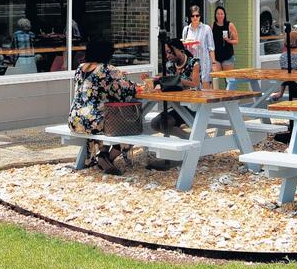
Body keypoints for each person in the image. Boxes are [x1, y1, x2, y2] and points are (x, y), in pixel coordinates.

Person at [67, 38, 137, 175]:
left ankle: (103, 154)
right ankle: (106, 157)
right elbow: (126, 90)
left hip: (74, 119)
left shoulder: (80, 67)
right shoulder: (107, 69)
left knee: (108, 119)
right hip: (93, 121)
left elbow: (98, 86)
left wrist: (117, 77)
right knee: (130, 125)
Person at [144, 37, 200, 137]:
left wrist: (176, 79)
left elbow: (195, 84)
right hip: (177, 105)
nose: (168, 56)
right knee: (155, 124)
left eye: (170, 52)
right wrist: (152, 79)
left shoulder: (193, 63)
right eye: (166, 53)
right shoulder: (170, 66)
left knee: (164, 123)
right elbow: (165, 81)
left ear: (180, 50)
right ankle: (188, 138)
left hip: (192, 106)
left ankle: (191, 140)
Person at [270, 31, 297, 142]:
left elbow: (285, 76)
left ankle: (295, 129)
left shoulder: (283, 57)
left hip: (292, 89)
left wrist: (280, 93)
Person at [181, 5, 214, 87]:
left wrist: (213, 63)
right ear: (190, 17)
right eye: (192, 16)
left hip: (204, 63)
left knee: (205, 89)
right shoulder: (186, 29)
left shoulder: (206, 29)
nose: (195, 18)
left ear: (200, 16)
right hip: (191, 64)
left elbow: (211, 47)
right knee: (193, 88)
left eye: (197, 15)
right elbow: (184, 48)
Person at [211, 5, 241, 89]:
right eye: (218, 14)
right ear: (215, 15)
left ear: (224, 15)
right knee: (215, 77)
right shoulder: (213, 25)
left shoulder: (229, 25)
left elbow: (236, 41)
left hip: (227, 55)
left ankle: (231, 98)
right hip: (216, 56)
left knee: (229, 79)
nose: (220, 15)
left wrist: (228, 40)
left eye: (221, 14)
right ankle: (215, 96)